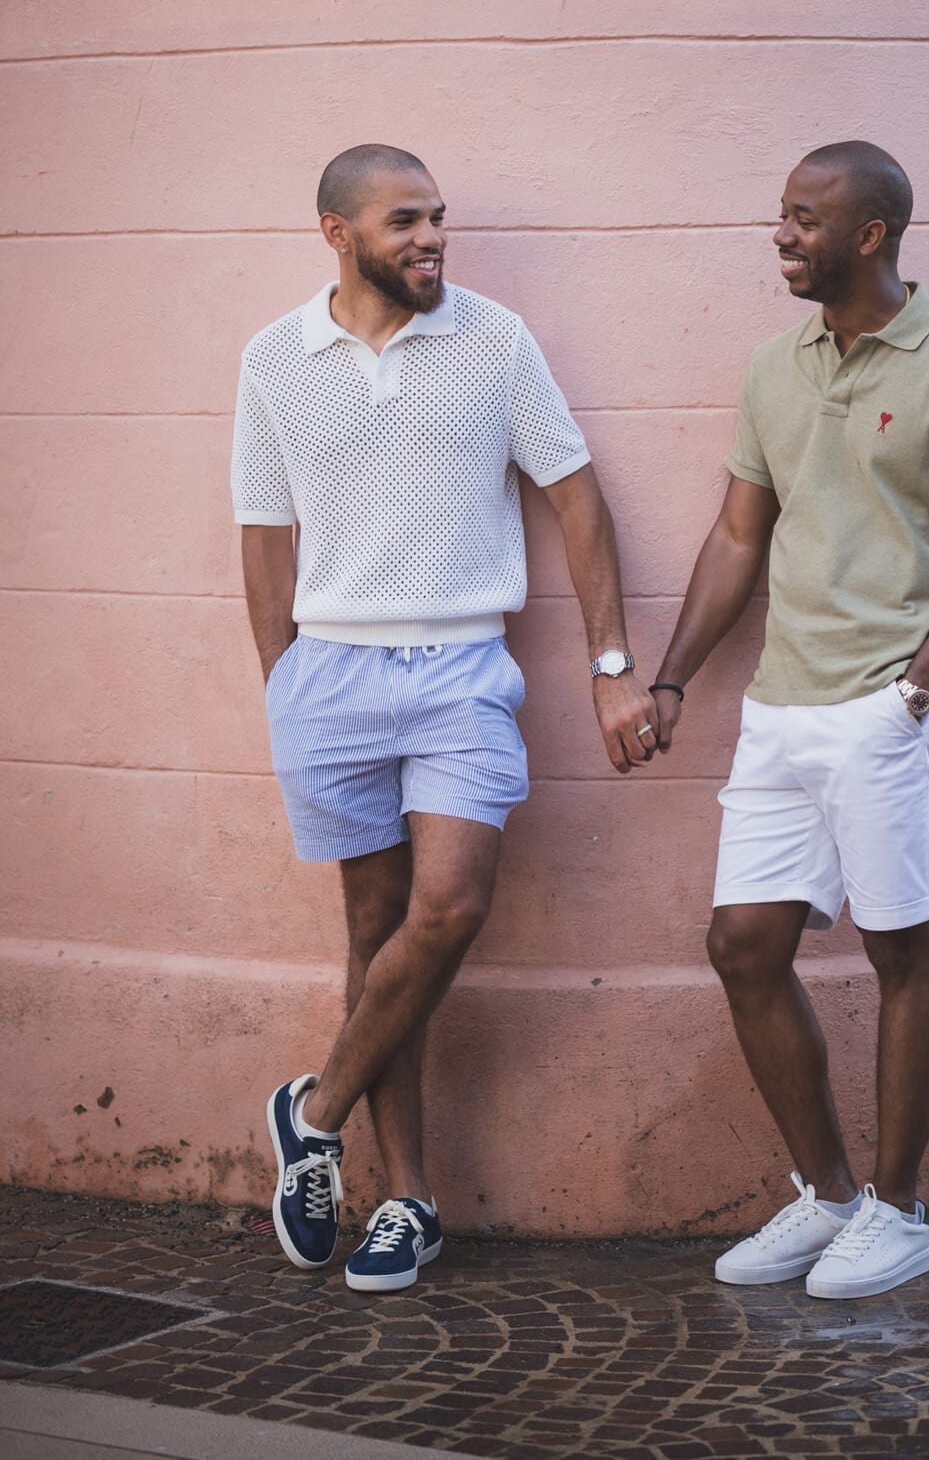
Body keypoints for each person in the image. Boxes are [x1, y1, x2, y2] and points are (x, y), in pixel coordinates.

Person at [232, 143, 657, 1292]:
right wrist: (284, 683)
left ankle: (311, 1113)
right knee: (374, 938)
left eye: (438, 219)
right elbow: (263, 536)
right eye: (405, 220)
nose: (431, 239)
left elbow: (574, 495)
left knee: (451, 908)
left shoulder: (494, 339)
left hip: (464, 670)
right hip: (331, 679)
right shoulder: (275, 358)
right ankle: (406, 1201)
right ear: (337, 232)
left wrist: (610, 663)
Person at [651, 140, 929, 1300]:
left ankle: (900, 1210)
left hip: (887, 708)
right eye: (781, 213)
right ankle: (825, 1197)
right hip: (781, 704)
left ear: (869, 234)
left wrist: (914, 696)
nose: (780, 233)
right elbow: (735, 538)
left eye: (803, 218)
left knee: (896, 948)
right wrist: (670, 680)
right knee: (744, 946)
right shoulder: (777, 367)